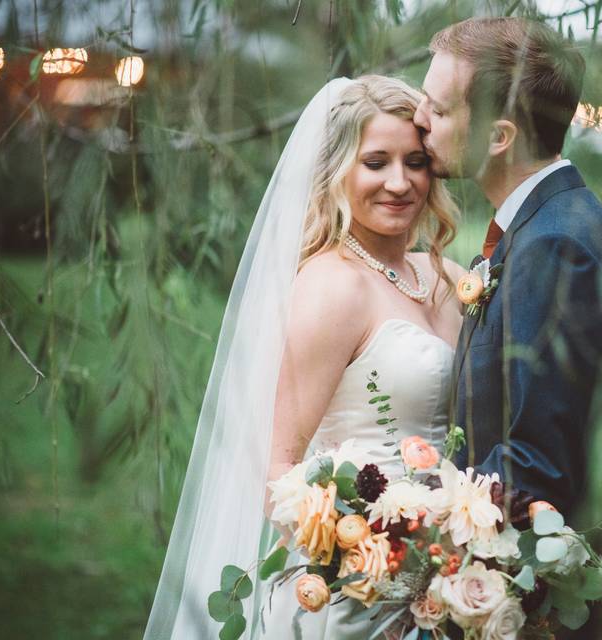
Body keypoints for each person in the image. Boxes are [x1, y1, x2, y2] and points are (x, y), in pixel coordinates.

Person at [143, 75, 465, 639]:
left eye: (415, 161)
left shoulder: (449, 279)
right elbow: (277, 466)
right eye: (375, 162)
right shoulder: (332, 287)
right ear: (338, 170)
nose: (399, 182)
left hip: (452, 580)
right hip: (357, 600)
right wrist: (357, 564)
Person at [414, 17, 602, 638]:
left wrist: (404, 522)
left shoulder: (556, 244)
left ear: (499, 135)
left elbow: (537, 466)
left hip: (558, 616)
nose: (418, 118)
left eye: (438, 108)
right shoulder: (541, 226)